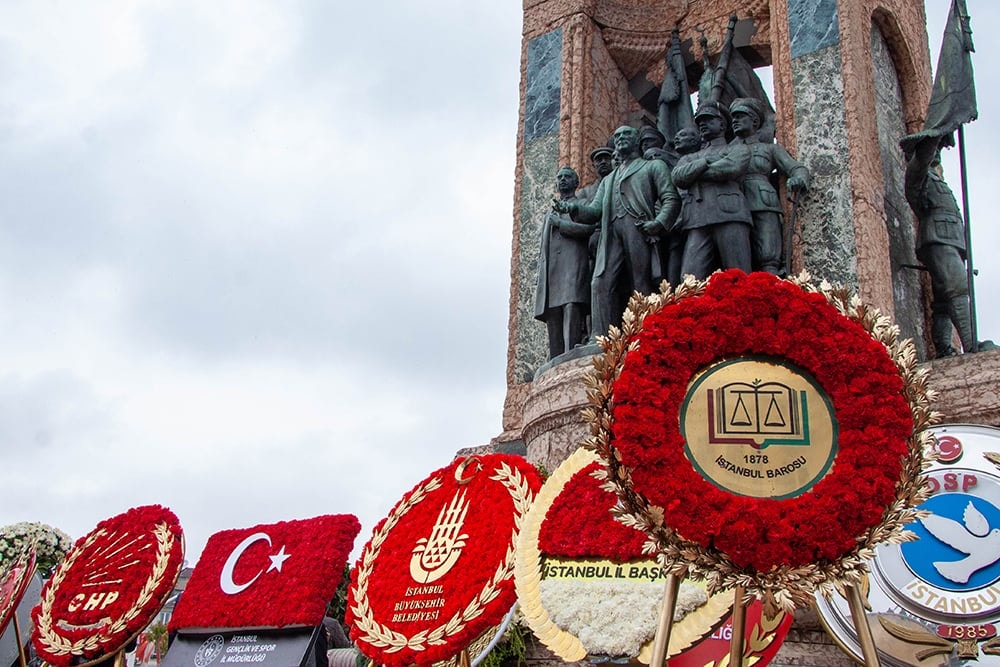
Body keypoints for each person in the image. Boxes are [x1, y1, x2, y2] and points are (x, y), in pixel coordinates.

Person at [555, 126, 680, 338]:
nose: (621, 138)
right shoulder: (608, 180)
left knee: (640, 281)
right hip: (611, 234)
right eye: (618, 136)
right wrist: (573, 208)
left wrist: (658, 223)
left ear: (637, 140)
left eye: (626, 135)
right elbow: (594, 211)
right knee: (600, 282)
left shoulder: (652, 167)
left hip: (638, 230)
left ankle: (646, 331)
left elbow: (671, 198)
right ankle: (600, 336)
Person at [904, 135, 974, 356]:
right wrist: (935, 135)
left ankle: (943, 347)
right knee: (958, 288)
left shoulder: (935, 178)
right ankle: (972, 346)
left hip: (949, 238)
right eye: (932, 148)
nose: (937, 152)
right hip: (937, 238)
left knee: (943, 301)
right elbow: (922, 158)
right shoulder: (917, 173)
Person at [671, 101, 752, 279]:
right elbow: (678, 177)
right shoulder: (691, 157)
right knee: (689, 280)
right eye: (700, 121)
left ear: (722, 124)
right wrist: (704, 162)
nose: (702, 124)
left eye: (708, 120)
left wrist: (695, 172)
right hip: (697, 220)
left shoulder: (738, 148)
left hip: (730, 214)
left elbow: (731, 168)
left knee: (738, 275)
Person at [729, 97, 809, 275]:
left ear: (755, 121)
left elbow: (796, 168)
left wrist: (799, 179)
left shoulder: (769, 149)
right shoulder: (726, 150)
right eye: (733, 117)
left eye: (740, 116)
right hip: (734, 206)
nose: (734, 121)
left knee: (768, 253)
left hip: (763, 201)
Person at [535, 167, 596, 358]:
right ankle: (555, 356)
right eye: (559, 177)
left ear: (576, 183)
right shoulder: (550, 211)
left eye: (567, 177)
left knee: (571, 306)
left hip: (573, 263)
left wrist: (562, 224)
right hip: (552, 268)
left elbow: (589, 228)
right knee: (554, 312)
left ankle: (570, 351)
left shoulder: (583, 204)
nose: (562, 180)